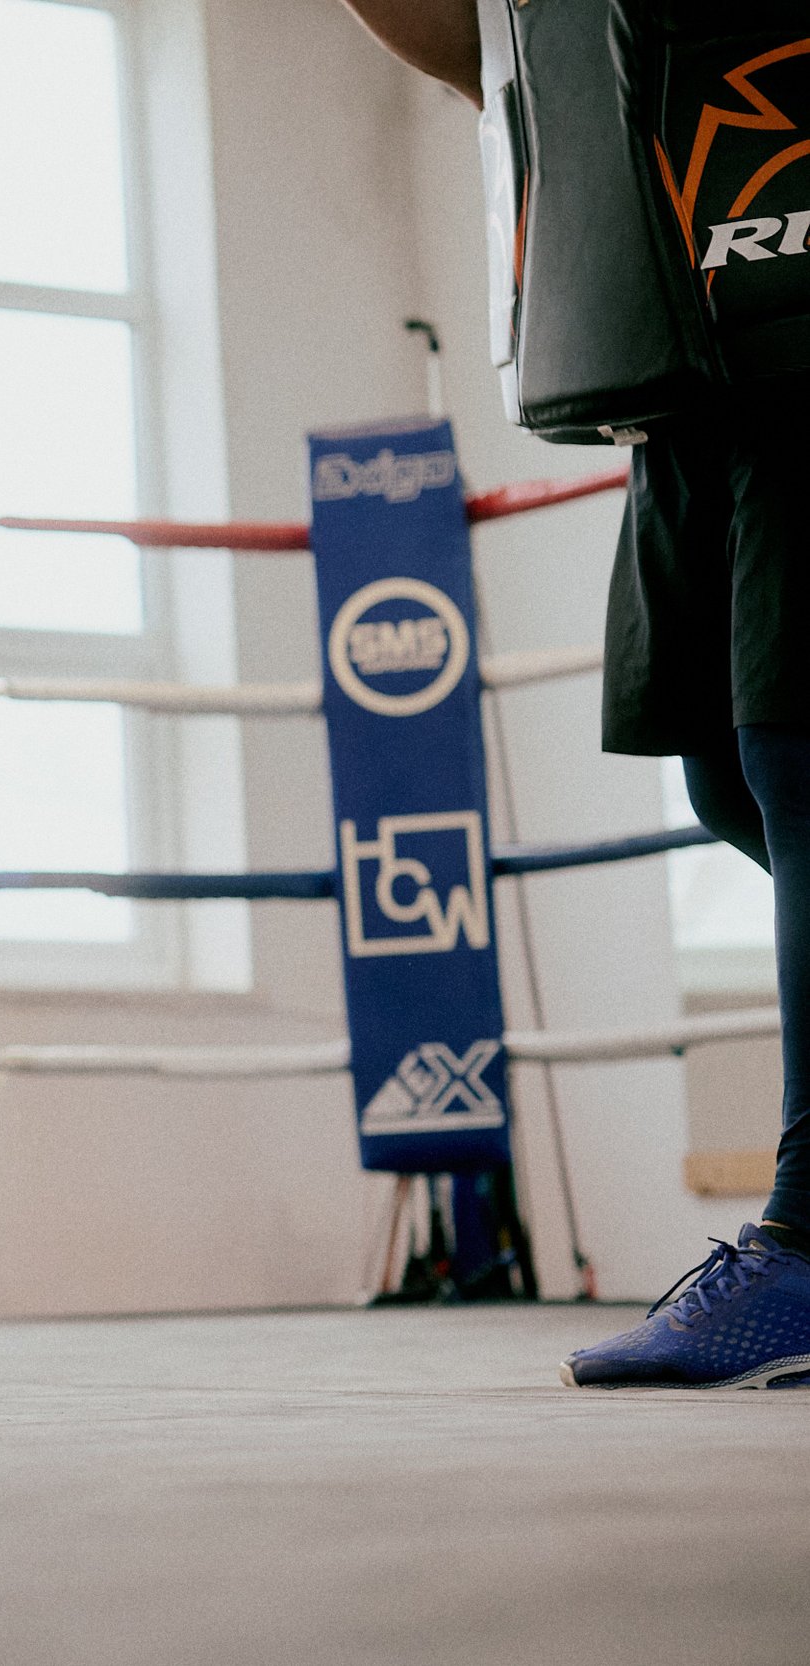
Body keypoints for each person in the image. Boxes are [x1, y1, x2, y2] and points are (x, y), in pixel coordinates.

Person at [341, 0, 810, 1389]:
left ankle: (806, 1242)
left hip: (791, 289)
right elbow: (473, 45)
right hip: (673, 323)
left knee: (798, 757)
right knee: (729, 775)